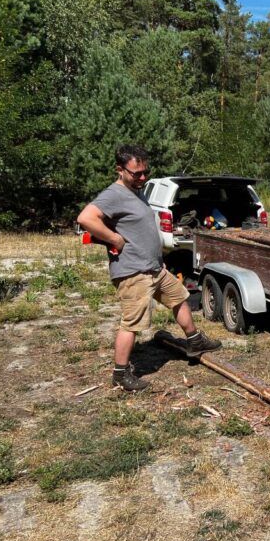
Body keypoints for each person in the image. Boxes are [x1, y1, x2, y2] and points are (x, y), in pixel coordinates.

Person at [77, 144, 221, 391]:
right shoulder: (113, 194)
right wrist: (114, 239)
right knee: (132, 322)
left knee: (179, 298)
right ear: (120, 170)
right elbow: (85, 218)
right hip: (134, 272)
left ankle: (195, 341)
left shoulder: (136, 191)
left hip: (153, 267)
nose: (142, 178)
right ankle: (121, 374)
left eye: (145, 172)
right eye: (136, 173)